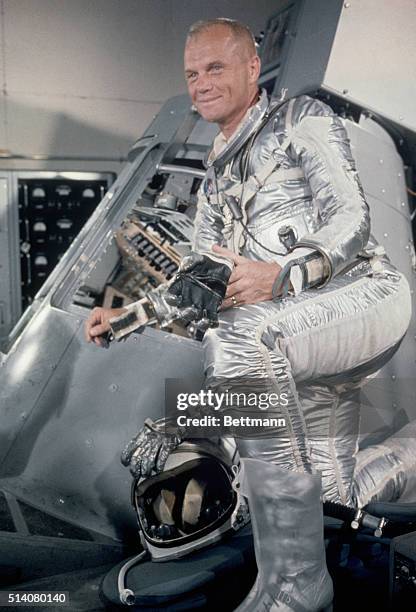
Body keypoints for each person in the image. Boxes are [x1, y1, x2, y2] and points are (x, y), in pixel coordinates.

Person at [85, 18, 412, 612]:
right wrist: (128, 318)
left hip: (366, 297)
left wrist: (284, 274)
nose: (201, 83)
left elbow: (350, 218)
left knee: (241, 334)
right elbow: (200, 283)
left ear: (252, 69)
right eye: (192, 73)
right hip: (306, 343)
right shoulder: (215, 183)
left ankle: (294, 586)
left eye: (215, 67)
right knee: (333, 505)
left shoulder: (302, 121)